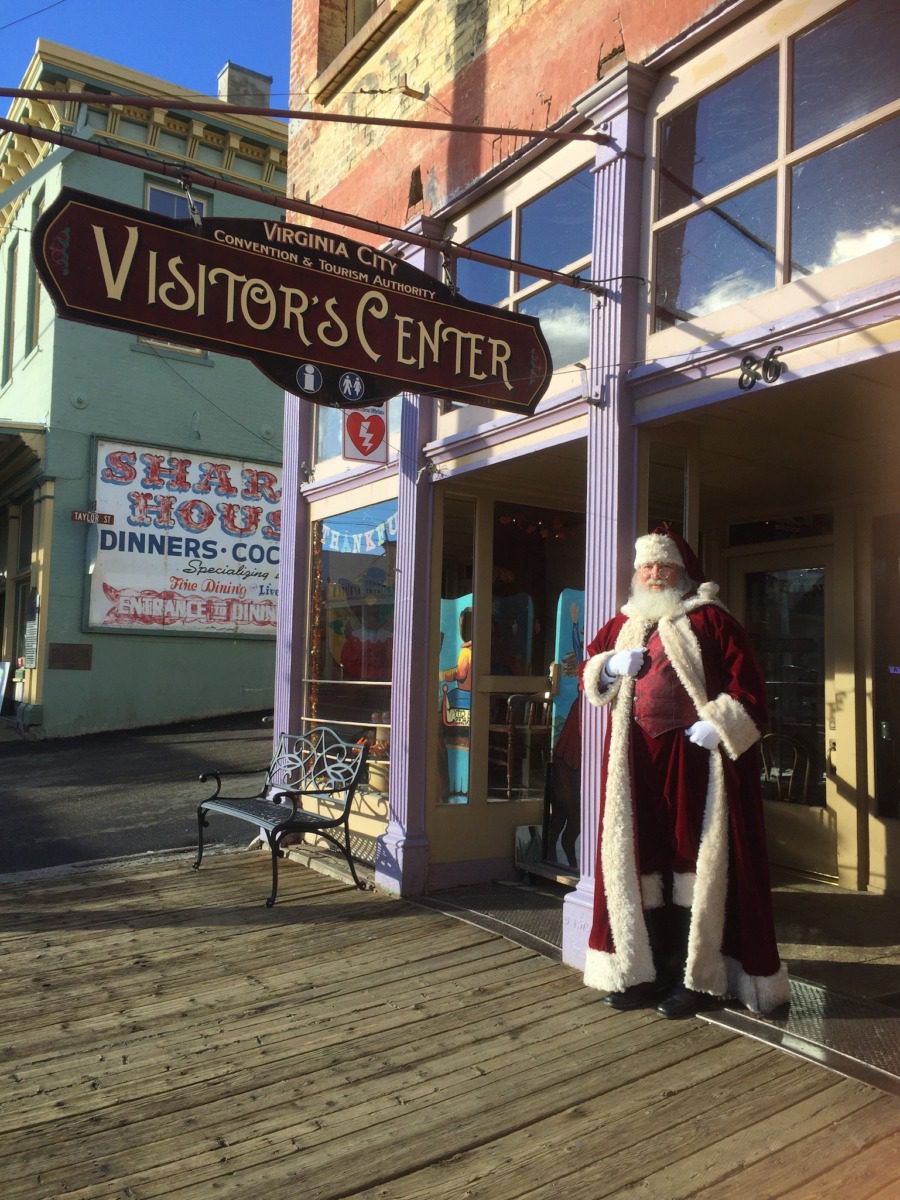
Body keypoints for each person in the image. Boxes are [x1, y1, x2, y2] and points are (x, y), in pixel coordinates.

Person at [580, 527, 790, 1018]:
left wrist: (720, 725)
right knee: (643, 863)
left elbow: (751, 690)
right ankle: (646, 972)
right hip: (637, 764)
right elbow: (588, 669)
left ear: (682, 573)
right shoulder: (624, 623)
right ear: (637, 574)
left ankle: (697, 978)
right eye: (647, 567)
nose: (655, 575)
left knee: (694, 864)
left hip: (696, 764)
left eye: (664, 567)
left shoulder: (713, 622)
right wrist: (610, 666)